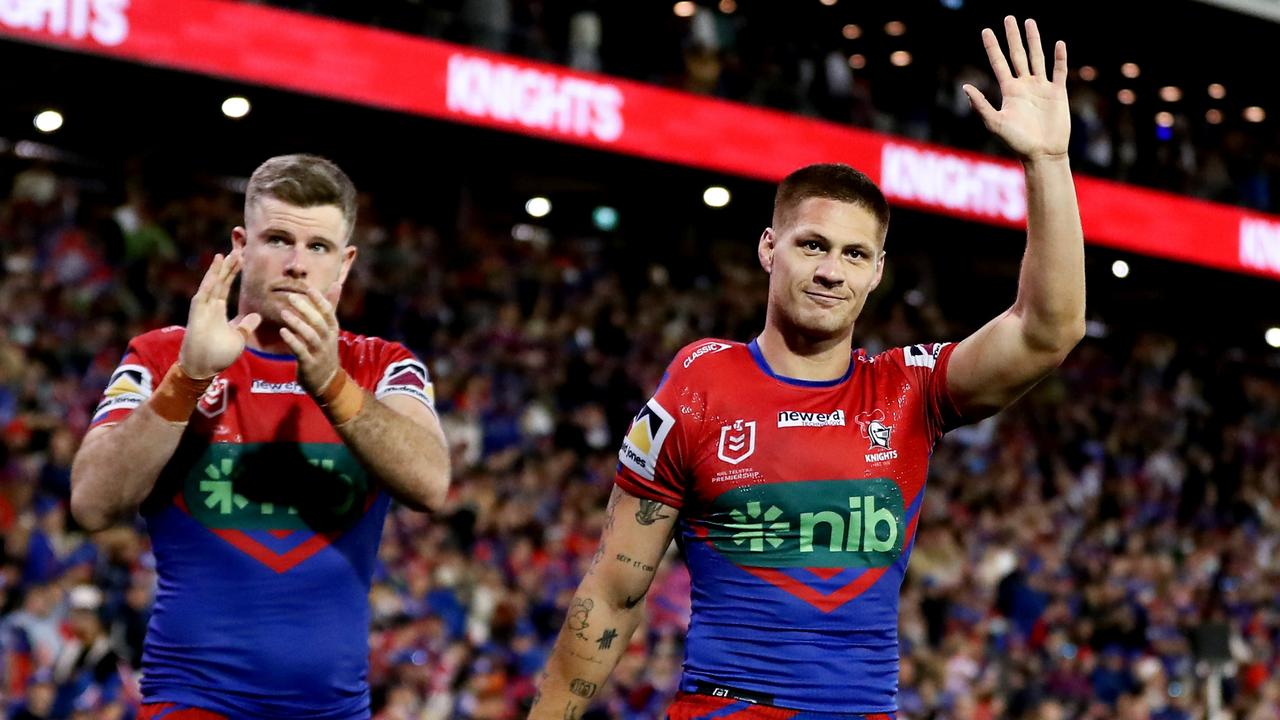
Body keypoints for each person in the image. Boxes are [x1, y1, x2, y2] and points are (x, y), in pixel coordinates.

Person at [530, 17, 1083, 719]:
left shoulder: (908, 392)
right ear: (769, 248)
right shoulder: (701, 385)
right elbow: (613, 592)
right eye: (812, 245)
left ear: (878, 271)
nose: (831, 271)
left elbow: (1049, 330)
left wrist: (1047, 163)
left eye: (854, 255)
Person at [69, 154, 451, 719]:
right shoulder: (163, 356)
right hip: (193, 702)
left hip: (337, 710)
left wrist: (331, 384)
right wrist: (188, 380)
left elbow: (430, 483)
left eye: (317, 247)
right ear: (241, 246)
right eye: (278, 239)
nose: (297, 265)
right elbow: (93, 503)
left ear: (344, 264)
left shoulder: (382, 365)